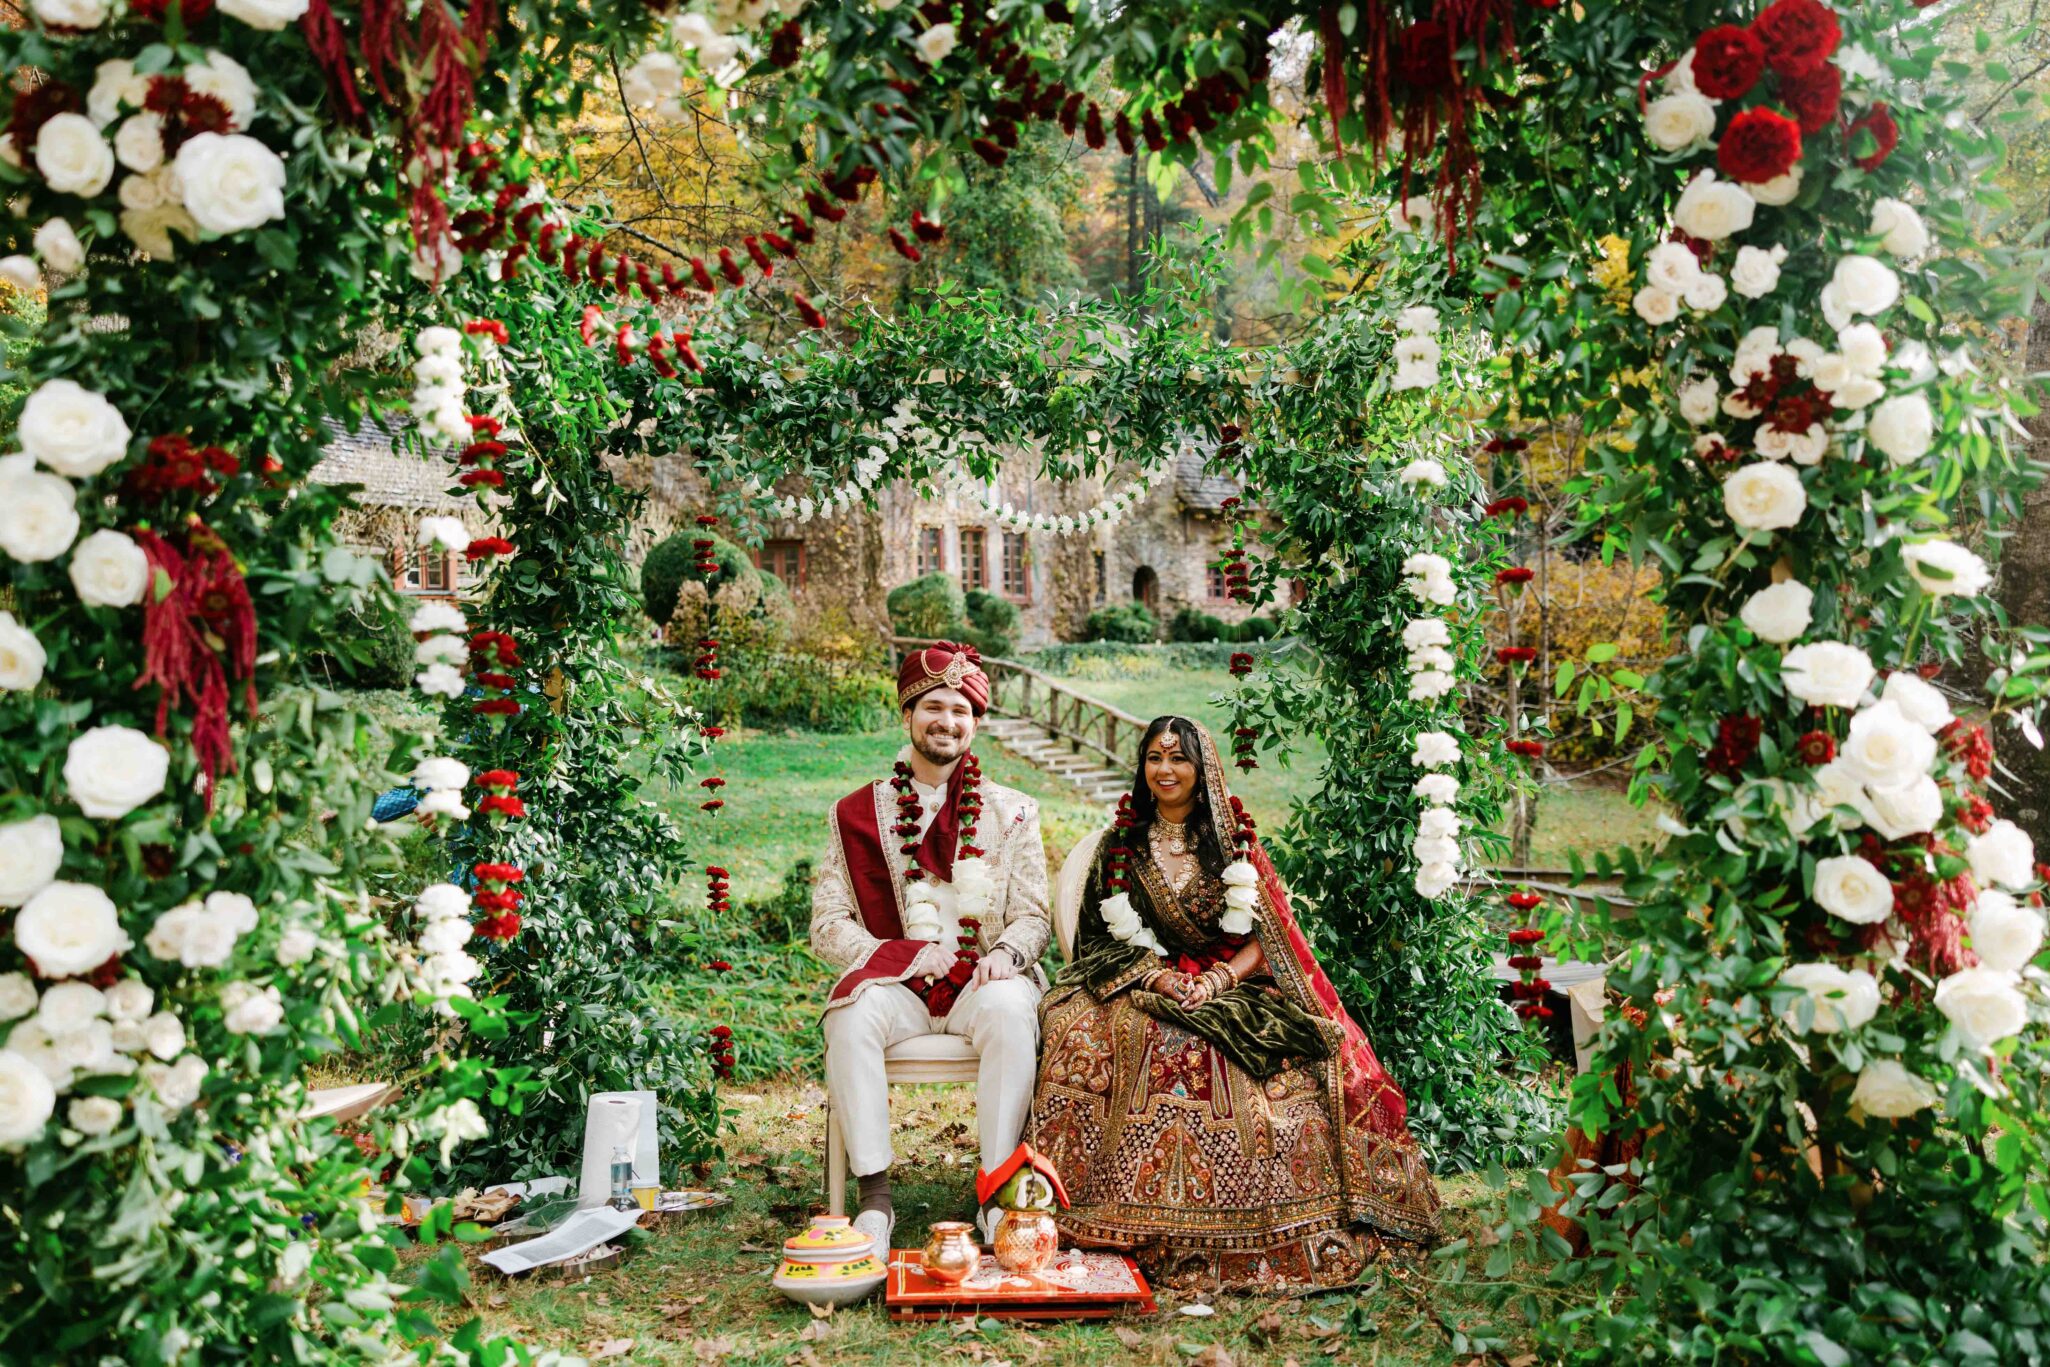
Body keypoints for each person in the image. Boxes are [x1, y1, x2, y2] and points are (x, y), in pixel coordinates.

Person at [1029, 715, 1441, 1291]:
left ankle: (1258, 1219)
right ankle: (1071, 1200)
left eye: (1179, 758)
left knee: (1243, 1057)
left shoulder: (1234, 844)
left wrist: (1217, 980)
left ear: (1203, 770)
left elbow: (1267, 937)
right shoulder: (1118, 847)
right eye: (1154, 758)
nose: (1165, 769)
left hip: (1234, 984)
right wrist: (1157, 980)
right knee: (1092, 1033)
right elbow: (1096, 940)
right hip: (1141, 984)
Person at [811, 641, 1051, 1251]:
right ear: (908, 715)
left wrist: (1007, 955)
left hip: (980, 983)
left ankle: (997, 1194)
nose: (947, 721)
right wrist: (906, 956)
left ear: (976, 723)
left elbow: (1033, 916)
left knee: (1009, 1008)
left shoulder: (1013, 812)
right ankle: (874, 1199)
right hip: (900, 986)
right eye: (933, 707)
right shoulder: (856, 813)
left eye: (961, 710)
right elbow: (828, 924)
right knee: (850, 1013)